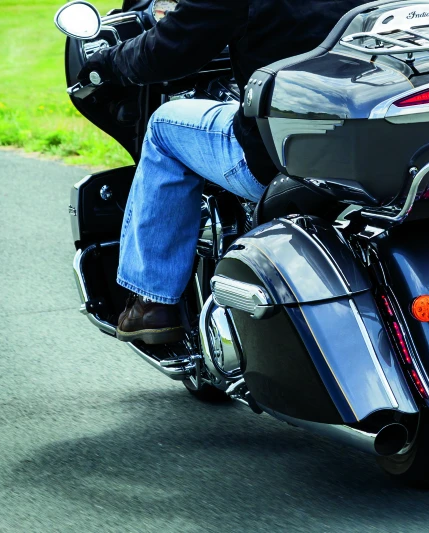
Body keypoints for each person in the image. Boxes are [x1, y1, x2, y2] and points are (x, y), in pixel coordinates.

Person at [80, 0, 368, 344]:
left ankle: (152, 301)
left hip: (280, 156)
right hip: (371, 146)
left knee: (163, 127)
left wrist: (107, 63)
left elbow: (172, 47)